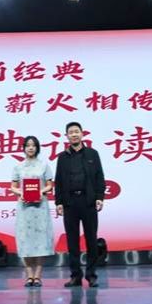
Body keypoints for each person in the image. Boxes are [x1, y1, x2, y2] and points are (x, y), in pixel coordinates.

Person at [54, 122, 105, 288]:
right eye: (71, 132)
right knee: (72, 242)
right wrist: (59, 202)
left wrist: (100, 197)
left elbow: (99, 177)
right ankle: (75, 276)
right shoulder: (62, 157)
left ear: (82, 134)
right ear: (67, 136)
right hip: (70, 203)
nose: (74, 134)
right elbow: (58, 182)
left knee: (91, 240)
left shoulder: (92, 154)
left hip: (88, 201)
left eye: (77, 131)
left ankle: (91, 275)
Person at [10, 135, 55, 287]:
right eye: (28, 145)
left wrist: (40, 192)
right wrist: (21, 193)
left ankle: (38, 276)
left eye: (33, 145)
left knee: (41, 240)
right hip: (24, 208)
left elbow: (50, 185)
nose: (30, 148)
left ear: (37, 148)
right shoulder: (18, 167)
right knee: (25, 240)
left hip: (40, 207)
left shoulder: (44, 166)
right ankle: (29, 275)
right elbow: (13, 187)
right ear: (24, 148)